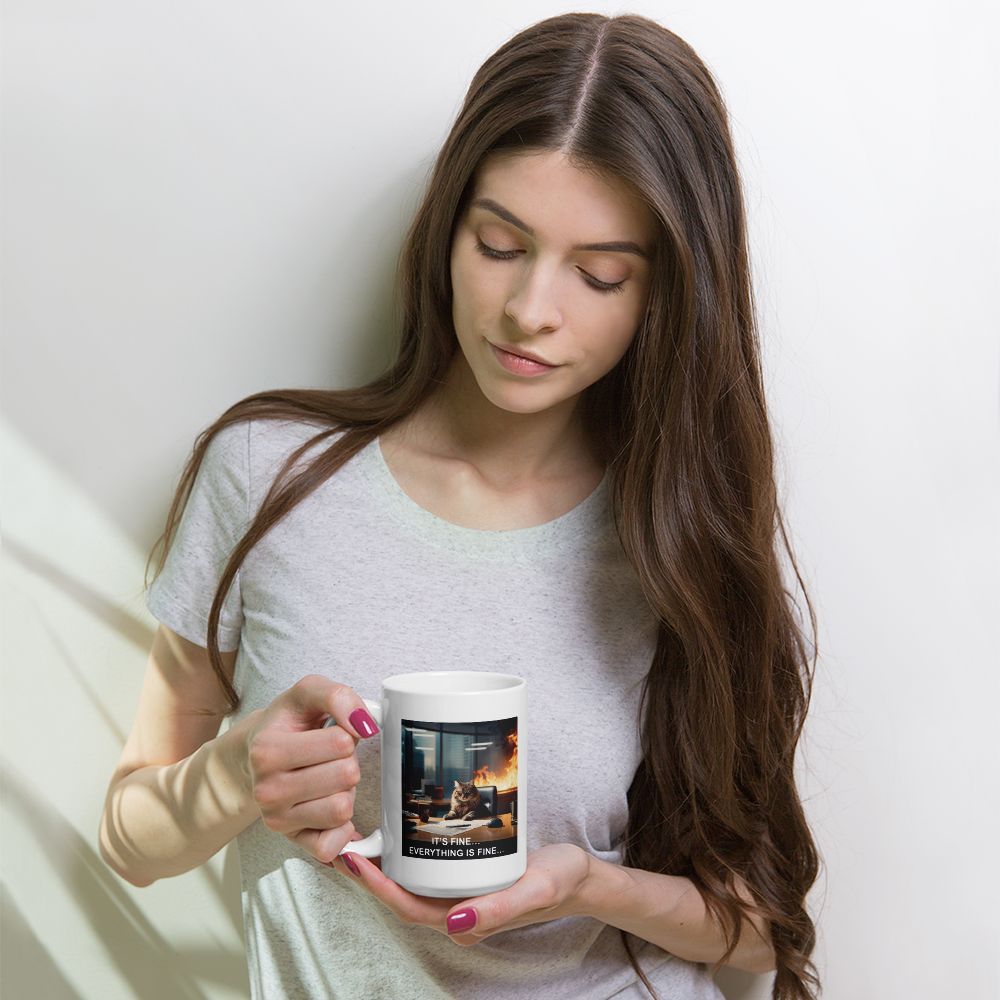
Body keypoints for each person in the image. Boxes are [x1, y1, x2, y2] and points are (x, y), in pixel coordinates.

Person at [99, 12, 819, 1000]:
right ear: (447, 228)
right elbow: (130, 840)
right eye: (497, 243)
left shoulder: (673, 535)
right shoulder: (265, 476)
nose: (531, 309)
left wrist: (590, 884)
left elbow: (758, 930)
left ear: (663, 297)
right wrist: (234, 775)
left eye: (600, 273)